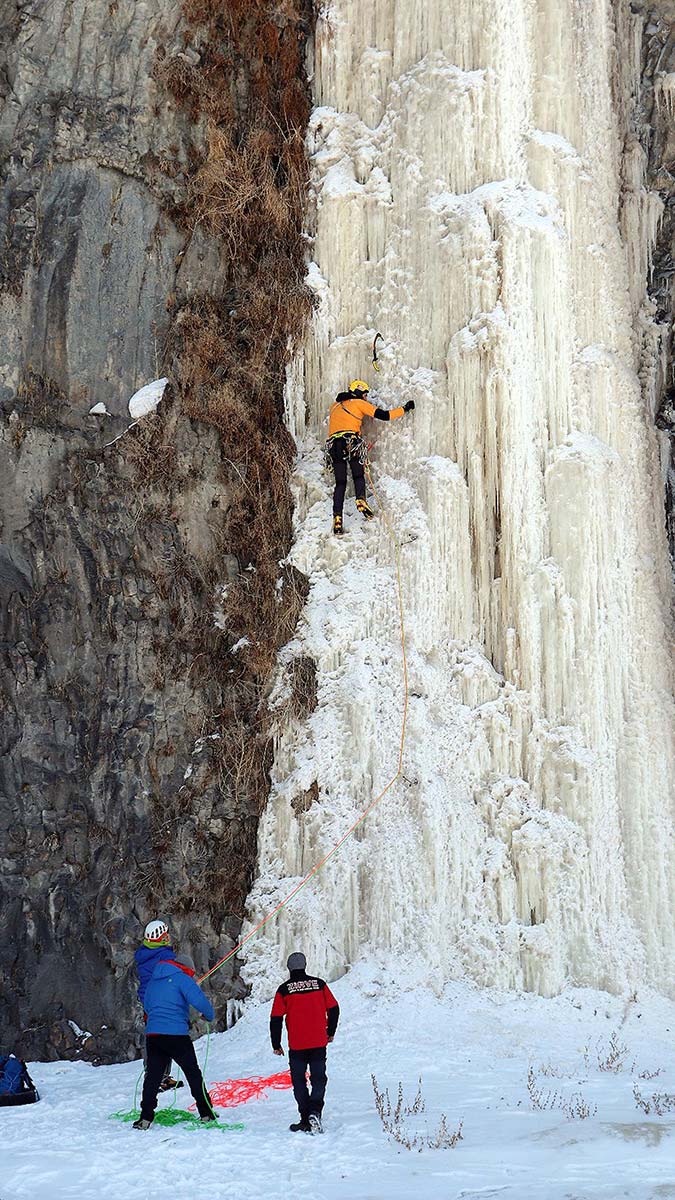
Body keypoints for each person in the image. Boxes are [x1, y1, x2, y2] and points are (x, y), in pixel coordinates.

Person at [133, 952, 216, 1130]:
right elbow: (200, 1001)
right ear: (186, 968)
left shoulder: (154, 981)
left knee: (153, 1077)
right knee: (193, 1073)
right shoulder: (182, 978)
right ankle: (206, 1113)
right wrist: (208, 1016)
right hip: (176, 1035)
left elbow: (147, 1006)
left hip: (154, 1036)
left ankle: (145, 1117)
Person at [326, 379, 415, 535]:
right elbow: (385, 415)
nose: (366, 398)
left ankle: (337, 518)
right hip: (351, 442)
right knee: (358, 475)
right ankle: (361, 499)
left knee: (340, 483)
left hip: (334, 446)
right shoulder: (359, 403)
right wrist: (405, 408)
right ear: (360, 392)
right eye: (365, 394)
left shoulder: (334, 406)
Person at [270, 951, 340, 1134]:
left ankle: (305, 1118)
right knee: (318, 1079)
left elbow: (276, 1018)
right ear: (305, 965)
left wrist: (276, 1044)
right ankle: (315, 1111)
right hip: (318, 1041)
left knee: (299, 1081)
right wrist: (330, 1032)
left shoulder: (284, 989)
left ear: (289, 968)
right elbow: (334, 1008)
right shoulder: (319, 984)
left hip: (297, 1044)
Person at [134, 919, 181, 1092]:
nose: (168, 936)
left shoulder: (146, 954)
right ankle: (155, 1079)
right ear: (161, 938)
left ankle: (163, 1077)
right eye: (165, 934)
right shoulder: (162, 956)